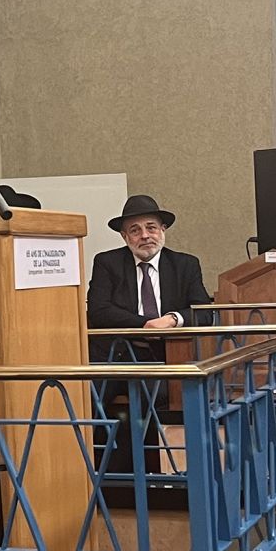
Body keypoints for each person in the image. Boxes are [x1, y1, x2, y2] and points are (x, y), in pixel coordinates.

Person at [87, 194, 212, 472]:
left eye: (151, 227)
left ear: (163, 230)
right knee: (83, 405)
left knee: (148, 409)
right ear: (124, 236)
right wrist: (145, 323)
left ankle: (148, 478)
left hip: (163, 360)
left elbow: (204, 310)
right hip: (111, 357)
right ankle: (89, 477)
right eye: (135, 230)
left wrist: (172, 318)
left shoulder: (185, 264)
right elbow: (99, 310)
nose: (145, 236)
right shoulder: (107, 263)